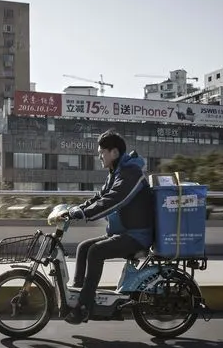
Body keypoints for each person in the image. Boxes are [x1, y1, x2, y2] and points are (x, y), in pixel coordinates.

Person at [61, 130, 155, 325]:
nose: (99, 156)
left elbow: (114, 200)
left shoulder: (131, 173)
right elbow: (100, 197)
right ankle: (78, 296)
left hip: (137, 235)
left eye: (102, 152)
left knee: (96, 251)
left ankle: (84, 306)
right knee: (84, 247)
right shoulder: (116, 172)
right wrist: (76, 209)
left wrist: (84, 214)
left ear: (114, 152)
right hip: (123, 233)